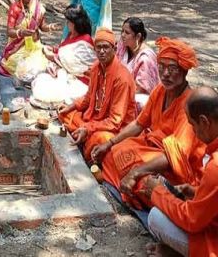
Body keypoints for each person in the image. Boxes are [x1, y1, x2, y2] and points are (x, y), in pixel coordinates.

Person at [92, 37, 205, 210]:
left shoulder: (189, 105)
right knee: (113, 153)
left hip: (174, 166)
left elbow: (174, 156)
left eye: (172, 68)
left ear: (184, 71)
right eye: (161, 67)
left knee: (144, 183)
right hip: (149, 147)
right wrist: (110, 143)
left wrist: (136, 171)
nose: (165, 73)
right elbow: (139, 123)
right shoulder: (160, 90)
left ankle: (164, 200)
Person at [141, 87, 218, 257]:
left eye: (193, 125)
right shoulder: (159, 92)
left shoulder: (215, 166)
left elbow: (192, 220)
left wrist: (157, 192)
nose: (194, 133)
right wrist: (196, 192)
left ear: (205, 122)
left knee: (155, 217)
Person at [58, 28, 136, 163]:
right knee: (64, 113)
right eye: (98, 47)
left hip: (114, 129)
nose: (101, 51)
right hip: (94, 119)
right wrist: (70, 107)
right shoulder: (95, 68)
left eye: (105, 47)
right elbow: (88, 98)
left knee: (100, 139)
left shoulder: (122, 78)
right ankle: (82, 137)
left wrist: (88, 128)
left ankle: (88, 151)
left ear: (115, 48)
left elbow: (115, 121)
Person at [0, 0, 61, 80]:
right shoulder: (15, 8)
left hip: (34, 45)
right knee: (14, 64)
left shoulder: (38, 7)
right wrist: (21, 32)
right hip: (17, 48)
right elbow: (9, 32)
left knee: (39, 63)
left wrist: (50, 27)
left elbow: (42, 27)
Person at [32, 4, 96, 103]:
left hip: (81, 82)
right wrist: (53, 49)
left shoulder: (85, 40)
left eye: (68, 22)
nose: (67, 24)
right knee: (40, 80)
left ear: (75, 23)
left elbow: (76, 65)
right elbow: (65, 50)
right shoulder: (71, 35)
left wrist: (53, 57)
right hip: (67, 76)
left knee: (50, 91)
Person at [116, 17, 159, 109]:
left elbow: (141, 89)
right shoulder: (122, 46)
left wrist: (118, 91)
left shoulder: (146, 58)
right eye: (122, 31)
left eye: (127, 33)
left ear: (138, 36)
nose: (123, 35)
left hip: (138, 96)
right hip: (120, 89)